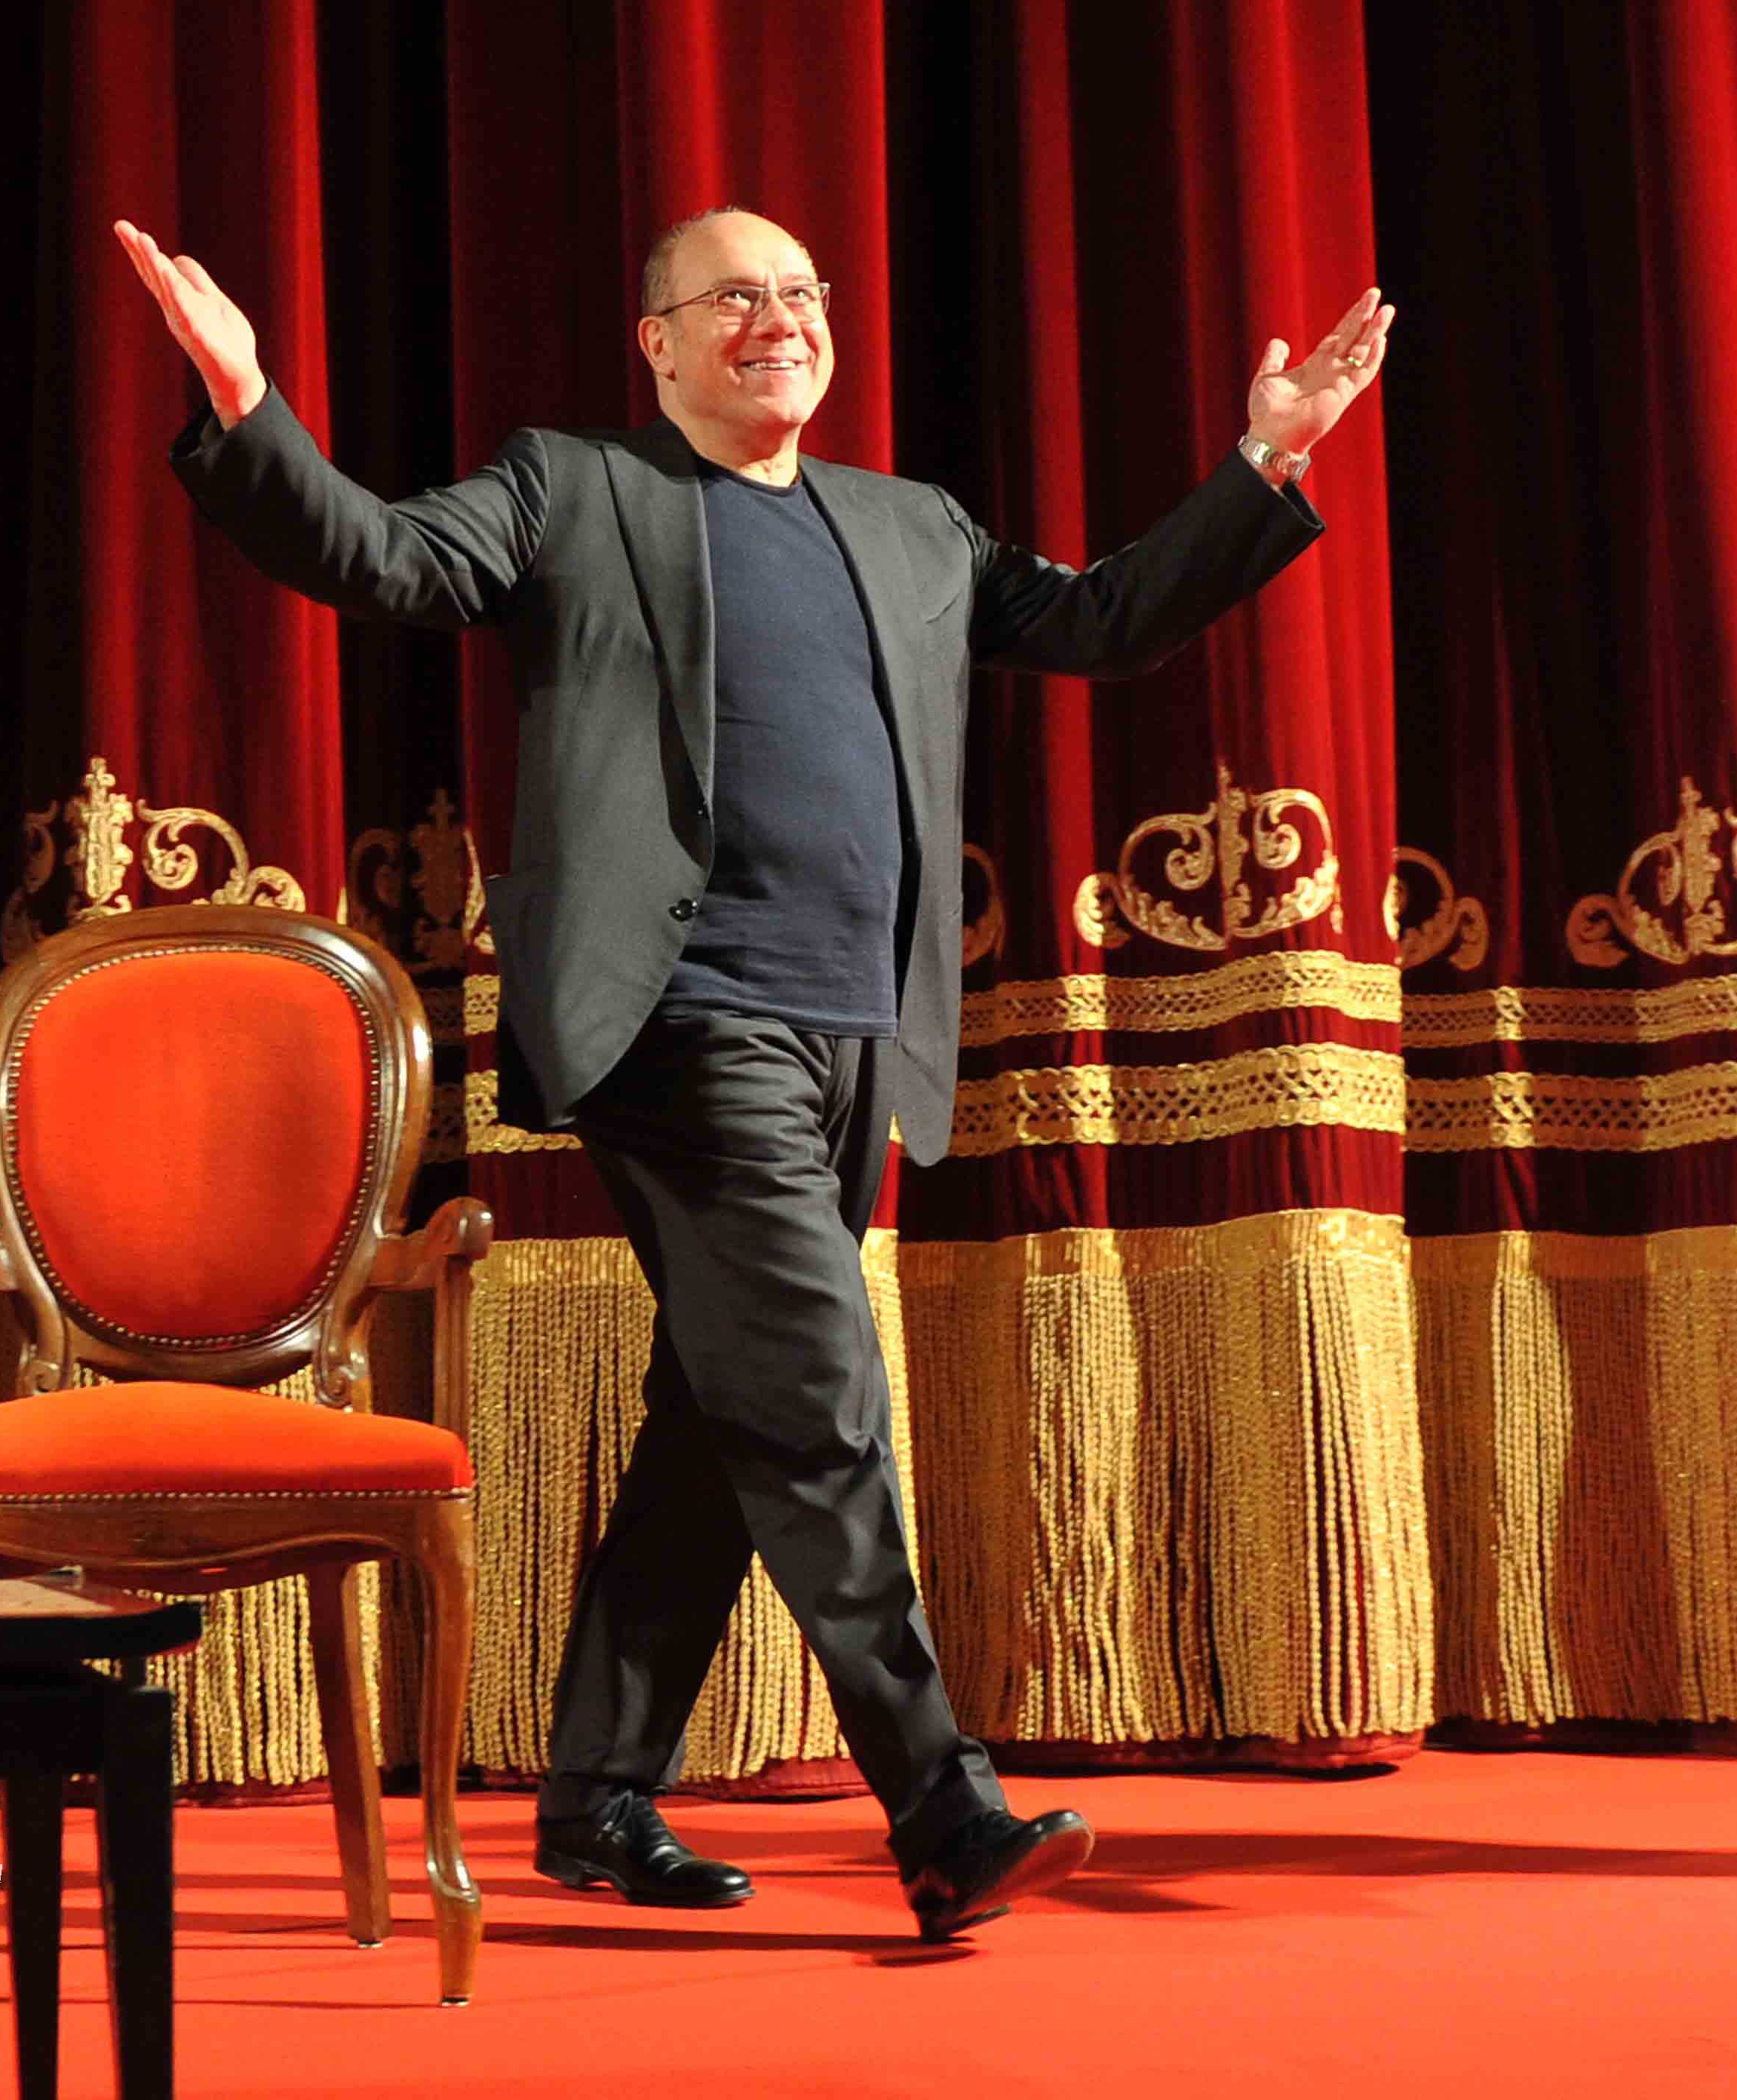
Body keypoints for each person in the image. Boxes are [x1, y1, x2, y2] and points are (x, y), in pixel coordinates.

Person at [118, 205, 1388, 1938]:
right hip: (678, 1019)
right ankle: (940, 1807)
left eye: (799, 294)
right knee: (817, 1389)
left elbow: (1099, 623)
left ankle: (596, 1792)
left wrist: (1265, 463)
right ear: (657, 342)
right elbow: (385, 560)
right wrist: (247, 406)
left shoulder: (911, 523)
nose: (776, 319)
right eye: (733, 297)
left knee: (728, 1417)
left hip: (855, 1028)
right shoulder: (574, 489)